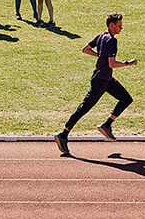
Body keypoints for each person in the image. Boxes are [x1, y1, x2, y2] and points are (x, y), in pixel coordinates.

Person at [54, 12, 137, 155]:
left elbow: (85, 49)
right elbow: (111, 64)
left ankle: (107, 125)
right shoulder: (112, 41)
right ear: (112, 25)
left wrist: (99, 55)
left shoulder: (101, 36)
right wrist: (128, 63)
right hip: (101, 81)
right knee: (84, 107)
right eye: (119, 26)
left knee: (126, 99)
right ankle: (63, 135)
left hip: (106, 79)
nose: (121, 28)